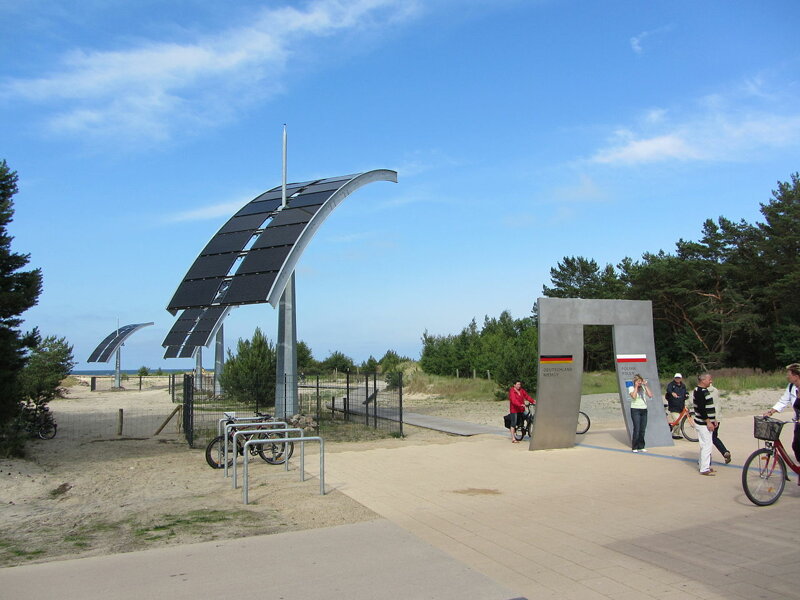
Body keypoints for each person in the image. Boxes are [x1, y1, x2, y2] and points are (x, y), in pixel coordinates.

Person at [763, 362, 800, 463]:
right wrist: (771, 412)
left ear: (796, 376)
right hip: (798, 422)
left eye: (789, 374)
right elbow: (783, 400)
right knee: (796, 446)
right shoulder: (791, 387)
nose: (787, 376)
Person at [693, 373, 717, 476]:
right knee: (707, 445)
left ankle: (703, 464)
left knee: (704, 445)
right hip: (703, 424)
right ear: (703, 380)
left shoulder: (701, 390)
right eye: (709, 379)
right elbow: (701, 408)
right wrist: (708, 421)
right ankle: (704, 468)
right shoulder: (699, 392)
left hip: (704, 422)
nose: (711, 381)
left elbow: (707, 407)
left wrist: (713, 419)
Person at [707, 382, 731, 464]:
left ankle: (706, 460)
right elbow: (717, 404)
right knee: (714, 437)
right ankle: (724, 452)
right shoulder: (715, 390)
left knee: (707, 440)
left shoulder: (703, 391)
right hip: (717, 417)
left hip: (709, 418)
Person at [628, 374, 652, 453]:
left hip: (644, 409)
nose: (639, 383)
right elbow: (634, 396)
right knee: (637, 428)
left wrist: (645, 385)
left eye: (640, 381)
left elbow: (650, 395)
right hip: (635, 409)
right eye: (638, 381)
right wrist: (635, 387)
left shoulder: (643, 388)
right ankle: (635, 447)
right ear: (635, 382)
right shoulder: (631, 388)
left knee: (642, 429)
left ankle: (641, 446)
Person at [665, 373, 688, 439]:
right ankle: (674, 434)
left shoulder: (683, 385)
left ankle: (677, 433)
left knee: (678, 421)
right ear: (674, 378)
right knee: (677, 421)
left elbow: (685, 392)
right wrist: (672, 393)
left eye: (679, 378)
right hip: (673, 406)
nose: (677, 379)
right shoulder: (671, 385)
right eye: (676, 378)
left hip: (681, 405)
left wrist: (687, 394)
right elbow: (668, 390)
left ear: (681, 378)